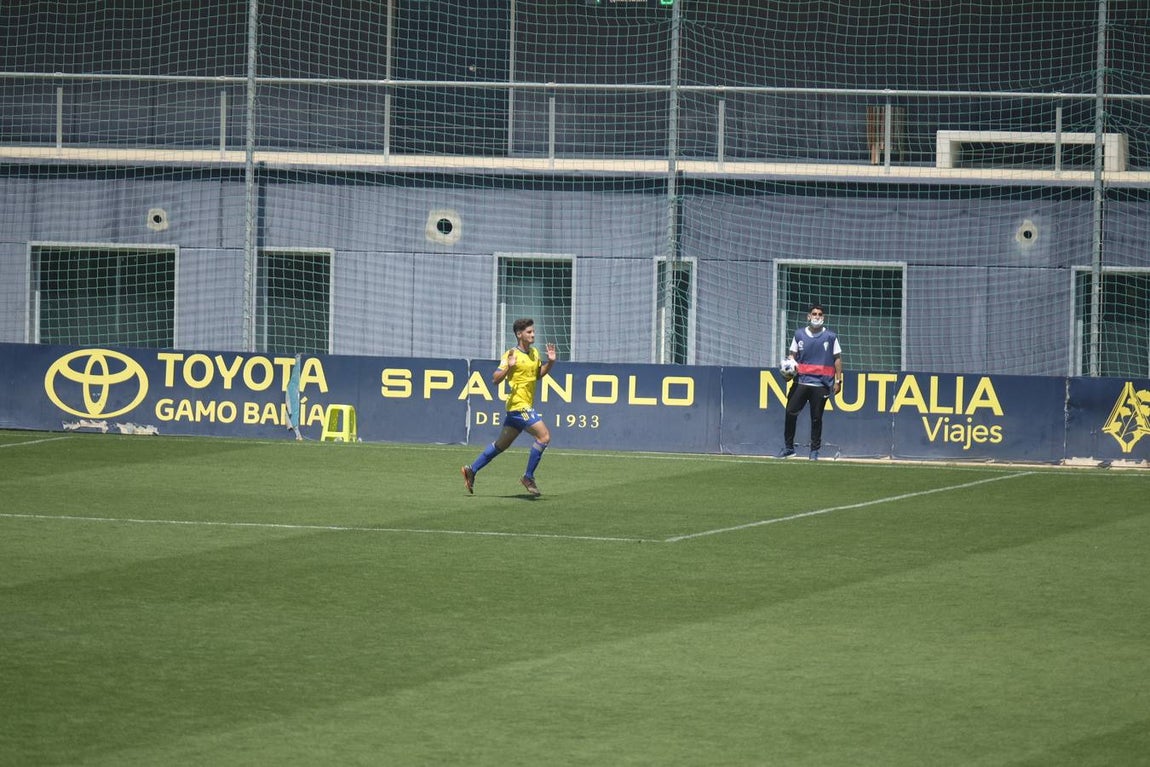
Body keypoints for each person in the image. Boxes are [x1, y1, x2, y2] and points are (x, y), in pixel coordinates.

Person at [461, 318, 557, 496]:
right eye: (529, 332)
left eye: (533, 331)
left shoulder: (535, 353)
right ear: (519, 334)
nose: (533, 334)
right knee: (544, 437)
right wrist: (508, 368)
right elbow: (495, 379)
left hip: (520, 408)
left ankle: (471, 469)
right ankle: (528, 477)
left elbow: (537, 375)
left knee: (500, 445)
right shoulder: (511, 354)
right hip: (518, 406)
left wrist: (550, 363)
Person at [778, 303, 843, 460]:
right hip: (800, 382)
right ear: (809, 316)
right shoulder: (799, 334)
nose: (817, 317)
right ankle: (788, 448)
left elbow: (837, 359)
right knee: (790, 413)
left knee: (816, 418)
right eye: (814, 314)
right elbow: (792, 355)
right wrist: (789, 367)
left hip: (820, 385)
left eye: (820, 314)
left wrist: (838, 381)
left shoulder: (830, 337)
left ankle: (814, 451)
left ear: (823, 317)